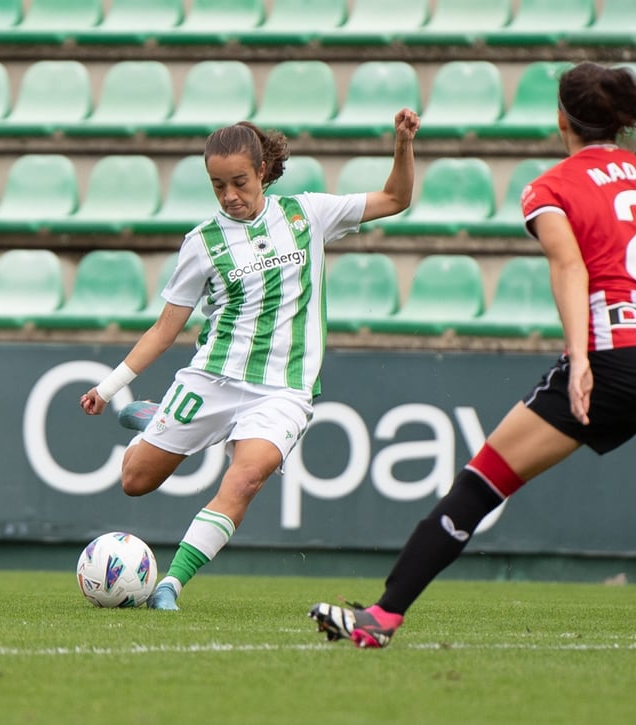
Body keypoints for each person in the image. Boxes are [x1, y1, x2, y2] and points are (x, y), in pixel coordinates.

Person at [309, 61, 636, 654]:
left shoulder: (553, 186)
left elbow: (570, 266)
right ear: (621, 120)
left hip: (618, 354)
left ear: (562, 119)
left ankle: (382, 617)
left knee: (482, 482)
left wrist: (580, 356)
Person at [80, 111, 421, 610]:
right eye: (218, 186)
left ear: (262, 171)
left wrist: (402, 145)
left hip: (283, 390)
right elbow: (164, 329)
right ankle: (153, 416)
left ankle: (171, 585)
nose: (229, 195)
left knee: (245, 477)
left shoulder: (307, 215)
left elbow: (396, 198)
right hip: (214, 377)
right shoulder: (202, 244)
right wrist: (109, 389)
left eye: (239, 182)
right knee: (136, 481)